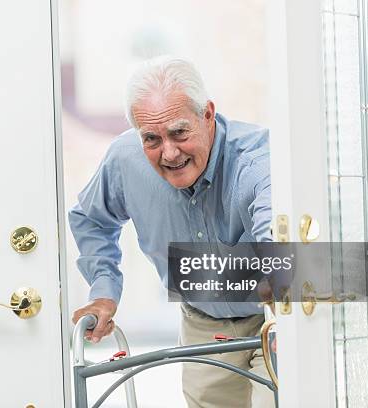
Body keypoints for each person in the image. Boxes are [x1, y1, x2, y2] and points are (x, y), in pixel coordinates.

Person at [68, 55, 273, 408]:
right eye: (151, 138)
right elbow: (90, 218)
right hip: (202, 322)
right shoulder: (125, 159)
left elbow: (277, 245)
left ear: (207, 115)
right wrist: (104, 289)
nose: (169, 152)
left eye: (179, 132)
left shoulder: (258, 160)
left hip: (272, 317)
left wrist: (286, 314)